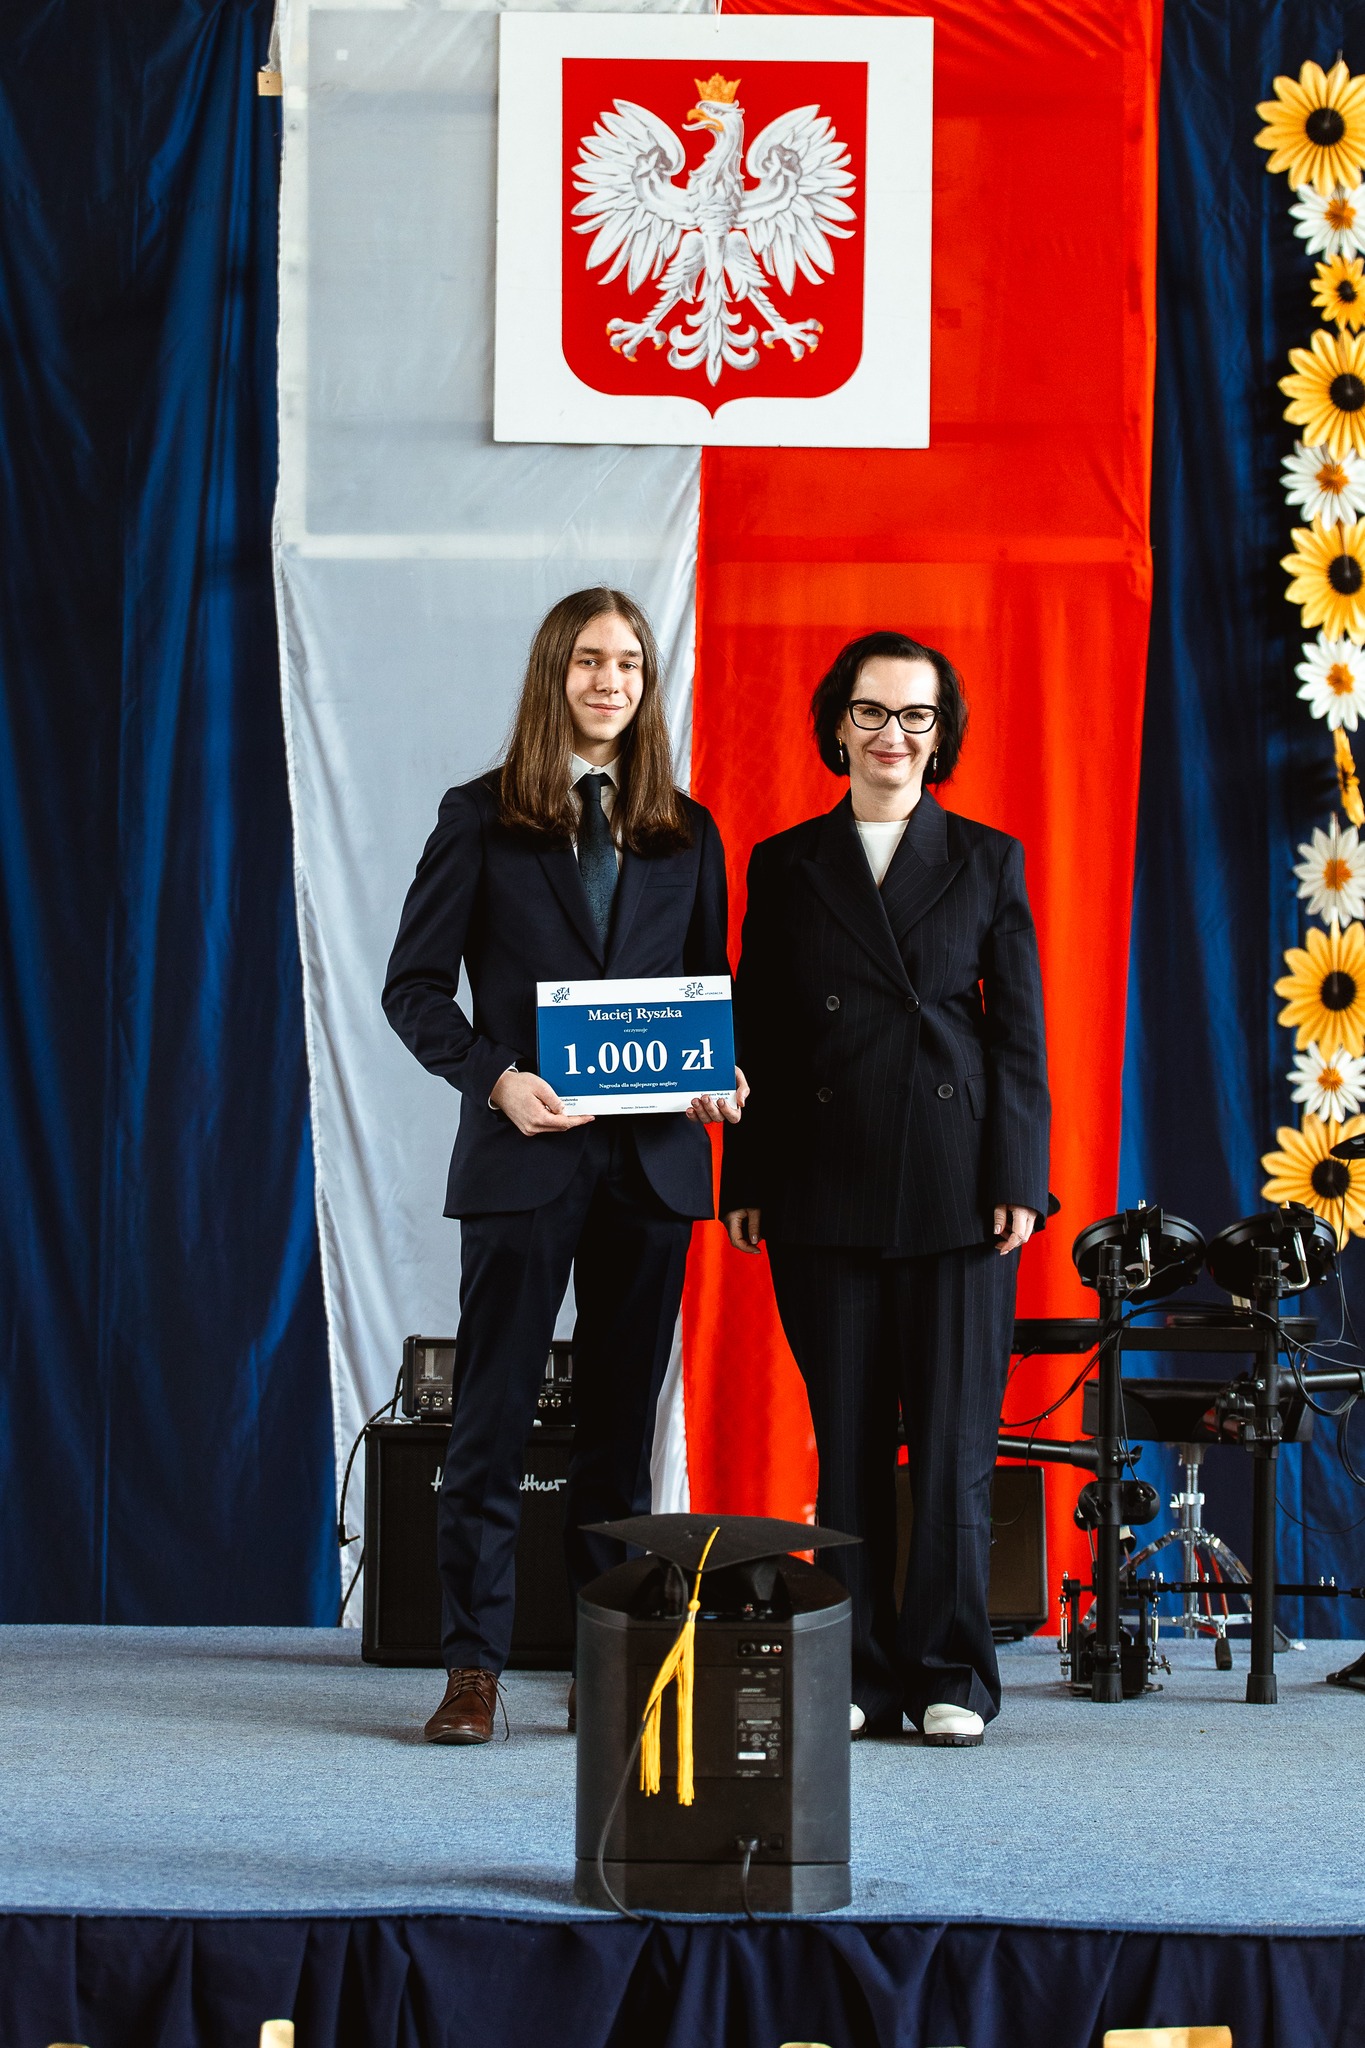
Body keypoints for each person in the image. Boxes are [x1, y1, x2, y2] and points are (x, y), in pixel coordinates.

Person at [384, 588, 744, 1745]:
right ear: (555, 674)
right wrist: (495, 1076)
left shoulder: (687, 831)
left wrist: (717, 1073)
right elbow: (414, 988)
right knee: (488, 1423)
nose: (609, 679)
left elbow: (709, 993)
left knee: (617, 1439)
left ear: (647, 683)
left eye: (629, 662)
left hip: (652, 1169)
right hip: (523, 1158)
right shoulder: (481, 817)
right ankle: (471, 1667)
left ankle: (609, 1660)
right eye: (590, 660)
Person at [719, 630, 1049, 1746]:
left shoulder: (988, 858)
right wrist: (748, 1174)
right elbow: (758, 1029)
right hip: (821, 1184)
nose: (892, 735)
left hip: (958, 1188)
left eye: (915, 715)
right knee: (848, 1442)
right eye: (871, 712)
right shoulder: (783, 862)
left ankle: (952, 1671)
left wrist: (1018, 1175)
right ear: (837, 724)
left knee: (953, 1448)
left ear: (941, 734)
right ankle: (853, 1669)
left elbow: (1018, 1037)